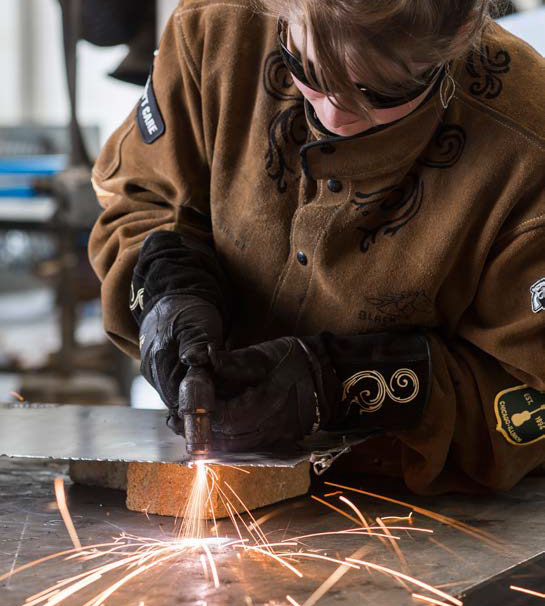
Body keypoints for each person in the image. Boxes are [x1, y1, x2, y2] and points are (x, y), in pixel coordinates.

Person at [89, 0, 545, 494]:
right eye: (307, 68)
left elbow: (529, 395)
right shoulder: (216, 29)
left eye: (381, 90)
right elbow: (140, 199)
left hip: (401, 501)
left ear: (453, 44)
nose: (334, 114)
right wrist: (168, 291)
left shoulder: (525, 146)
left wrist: (341, 384)